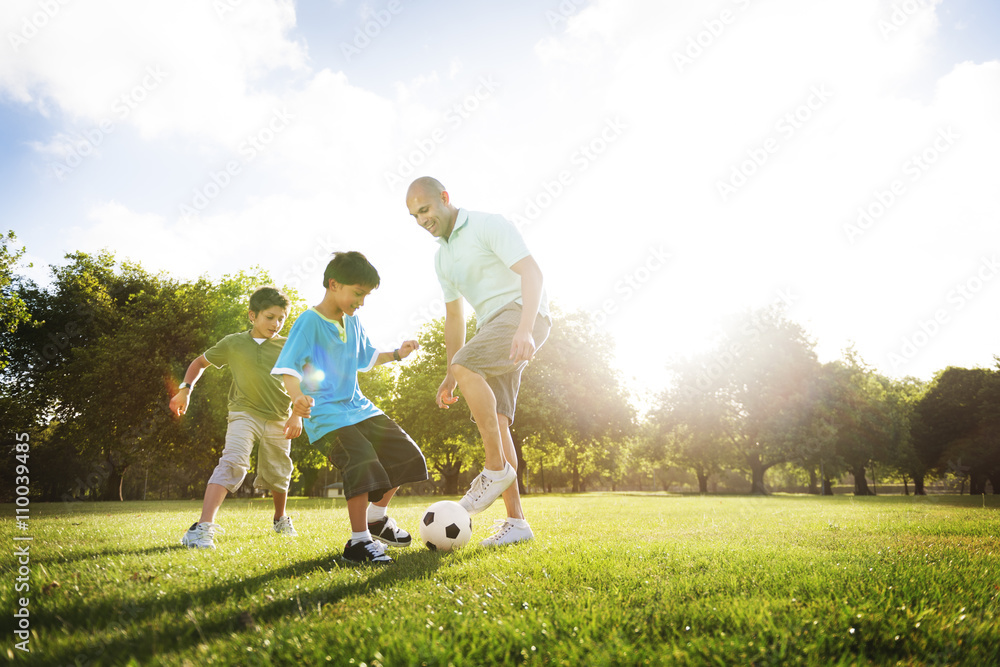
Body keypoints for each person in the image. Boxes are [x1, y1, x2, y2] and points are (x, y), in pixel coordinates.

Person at [405, 176, 551, 547]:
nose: (423, 220)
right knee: (498, 421)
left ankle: (495, 469)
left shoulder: (488, 224)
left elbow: (533, 273)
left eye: (425, 210)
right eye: (415, 216)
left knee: (467, 366)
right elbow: (455, 318)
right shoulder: (443, 258)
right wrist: (450, 374)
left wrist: (525, 328)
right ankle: (517, 524)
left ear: (444, 198)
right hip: (492, 327)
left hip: (519, 316)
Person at [272, 251, 428, 565]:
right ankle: (359, 542)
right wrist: (296, 397)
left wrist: (398, 354)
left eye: (366, 295)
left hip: (359, 407)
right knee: (362, 459)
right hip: (326, 415)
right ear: (333, 284)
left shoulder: (353, 321)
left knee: (406, 454)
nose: (362, 301)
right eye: (358, 293)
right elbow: (288, 367)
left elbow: (366, 358)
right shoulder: (309, 322)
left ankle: (376, 519)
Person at [170, 286, 302, 549]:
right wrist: (185, 390)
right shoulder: (233, 342)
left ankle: (280, 518)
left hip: (279, 417)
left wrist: (297, 415)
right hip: (244, 413)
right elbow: (198, 363)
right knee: (233, 462)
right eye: (269, 317)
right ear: (253, 315)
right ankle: (202, 528)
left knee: (278, 472)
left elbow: (300, 382)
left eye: (281, 319)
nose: (275, 324)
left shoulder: (288, 346)